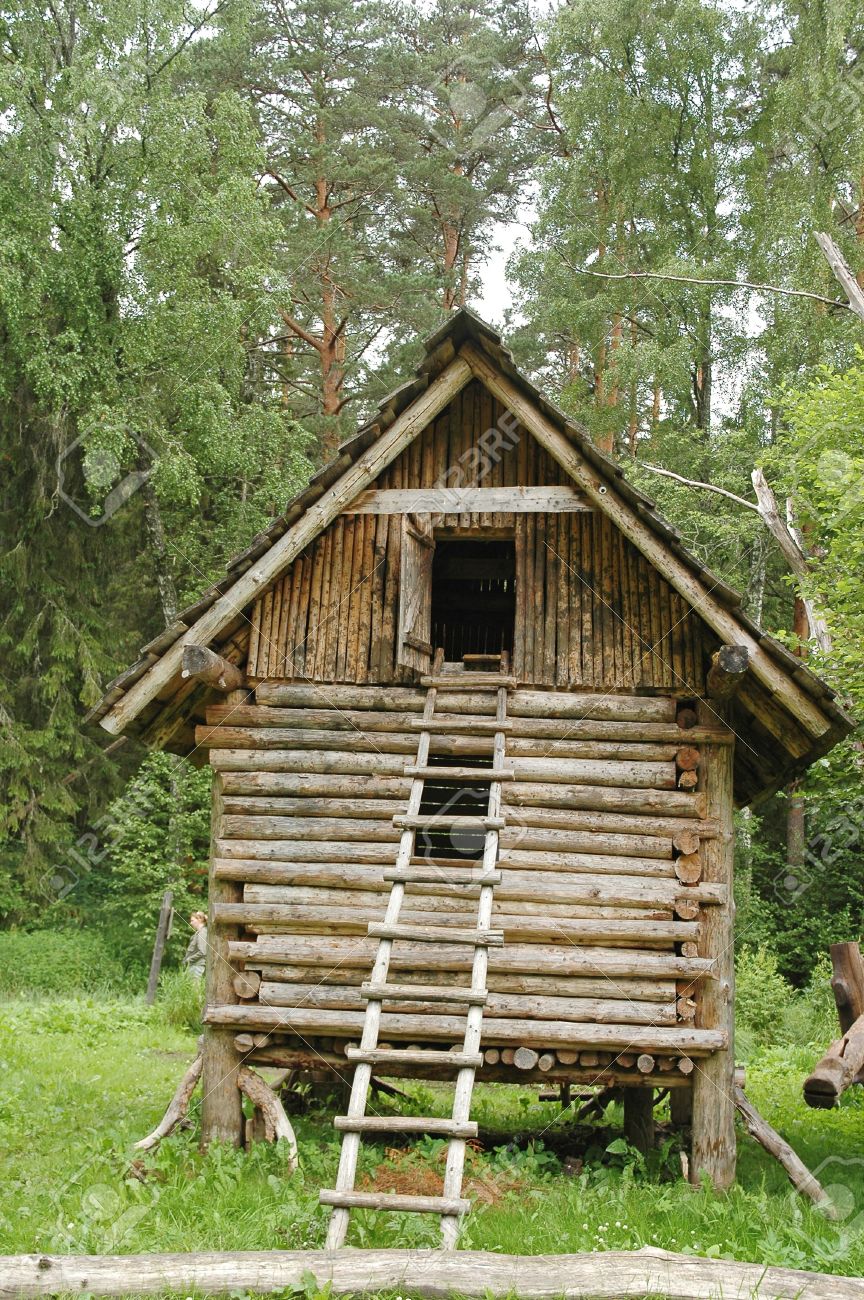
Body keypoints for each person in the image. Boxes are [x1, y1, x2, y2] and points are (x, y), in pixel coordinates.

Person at [183, 910, 208, 978]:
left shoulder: (202, 933)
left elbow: (203, 952)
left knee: (195, 988)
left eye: (192, 920)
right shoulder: (198, 933)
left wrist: (189, 959)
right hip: (194, 966)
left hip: (197, 967)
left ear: (199, 919)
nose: (191, 923)